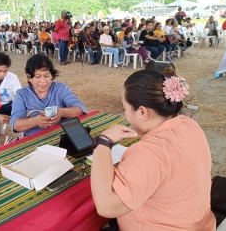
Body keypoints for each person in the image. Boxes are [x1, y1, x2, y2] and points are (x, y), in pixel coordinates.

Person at [90, 69, 216, 230]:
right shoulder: (189, 123)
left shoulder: (147, 152)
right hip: (199, 223)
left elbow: (106, 207)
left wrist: (103, 142)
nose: (126, 115)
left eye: (125, 109)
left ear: (142, 112)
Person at [10, 54, 86, 136]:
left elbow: (80, 109)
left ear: (52, 75)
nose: (43, 81)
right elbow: (15, 125)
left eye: (46, 76)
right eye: (38, 77)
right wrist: (36, 121)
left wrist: (61, 112)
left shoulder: (60, 89)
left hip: (61, 136)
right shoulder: (22, 95)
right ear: (29, 77)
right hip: (34, 140)